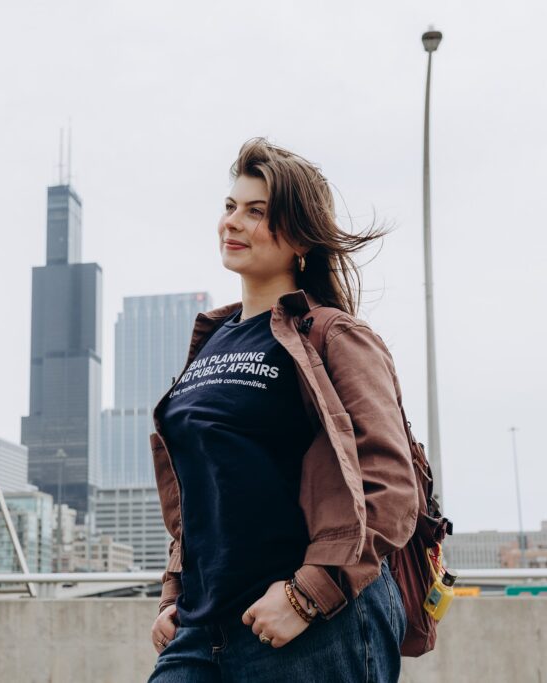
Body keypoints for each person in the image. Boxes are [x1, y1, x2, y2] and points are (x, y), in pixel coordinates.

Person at [147, 137, 419, 682]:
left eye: (256, 212)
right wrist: (175, 589)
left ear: (299, 236)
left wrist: (307, 596)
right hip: (204, 624)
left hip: (315, 622)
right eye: (229, 207)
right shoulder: (210, 341)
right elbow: (201, 493)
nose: (233, 223)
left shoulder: (332, 335)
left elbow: (390, 485)